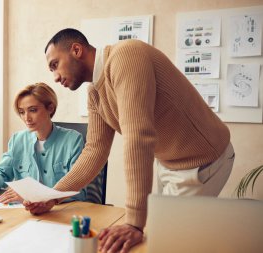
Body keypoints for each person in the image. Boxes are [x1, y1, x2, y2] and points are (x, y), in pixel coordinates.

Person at [24, 28, 235, 253]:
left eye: (55, 65)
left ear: (76, 50)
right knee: (159, 239)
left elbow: (138, 137)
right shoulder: (95, 93)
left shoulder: (126, 56)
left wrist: (134, 222)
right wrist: (52, 196)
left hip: (202, 160)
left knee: (168, 244)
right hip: (168, 162)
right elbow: (94, 150)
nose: (55, 77)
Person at [0, 82, 86, 204]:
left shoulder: (73, 140)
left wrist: (33, 196)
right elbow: (2, 173)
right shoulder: (17, 139)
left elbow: (78, 190)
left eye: (32, 110)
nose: (26, 118)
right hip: (25, 213)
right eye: (22, 112)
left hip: (61, 213)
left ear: (50, 108)